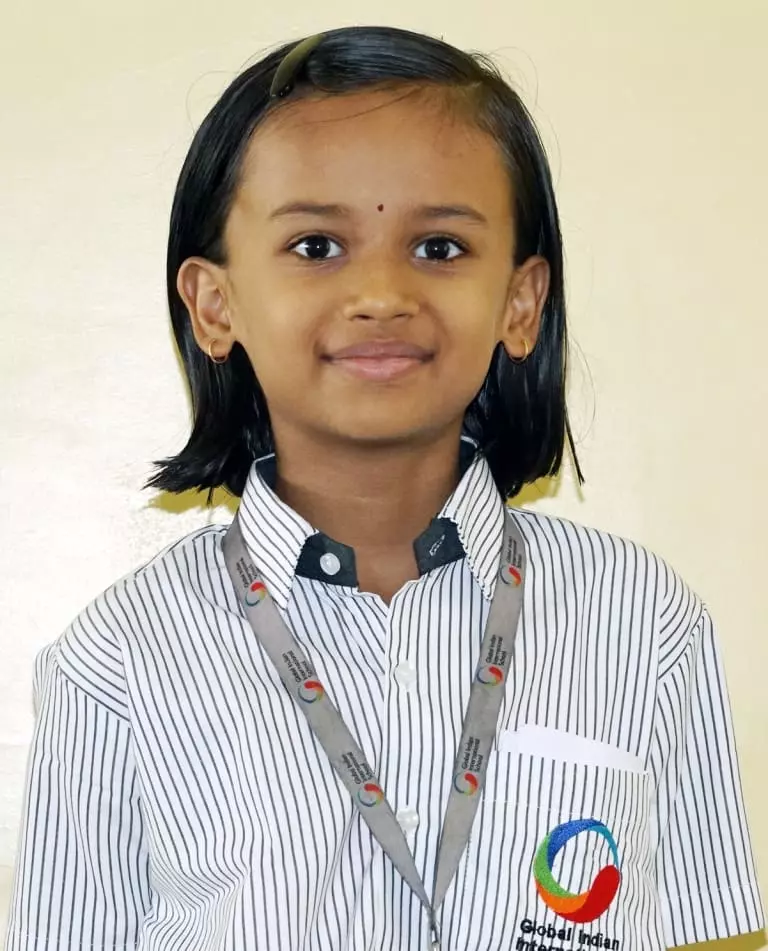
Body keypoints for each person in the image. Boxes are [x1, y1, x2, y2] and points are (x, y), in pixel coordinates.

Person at [4, 24, 764, 951]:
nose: (380, 293)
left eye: (439, 247)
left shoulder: (644, 620)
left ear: (520, 302)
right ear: (214, 304)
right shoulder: (116, 662)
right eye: (316, 245)